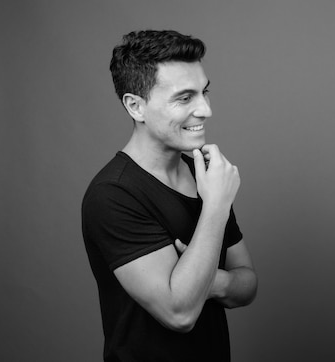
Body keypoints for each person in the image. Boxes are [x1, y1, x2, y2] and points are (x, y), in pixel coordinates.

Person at [82, 30, 257, 362]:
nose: (205, 109)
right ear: (136, 107)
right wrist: (216, 206)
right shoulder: (113, 194)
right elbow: (180, 313)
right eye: (185, 97)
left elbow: (247, 285)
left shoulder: (203, 173)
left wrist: (212, 281)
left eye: (204, 92)